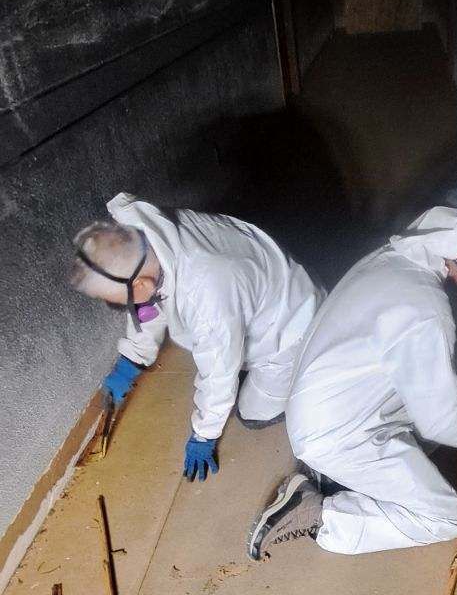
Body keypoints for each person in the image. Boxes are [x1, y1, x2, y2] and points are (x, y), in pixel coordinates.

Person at [247, 175, 457, 558]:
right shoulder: (425, 308)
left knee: (437, 405)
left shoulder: (394, 259)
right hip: (334, 433)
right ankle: (320, 514)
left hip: (317, 405)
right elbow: (440, 422)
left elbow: (415, 358)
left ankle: (332, 476)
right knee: (446, 517)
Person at [70, 193, 323, 480]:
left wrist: (204, 435)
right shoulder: (149, 240)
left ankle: (304, 381)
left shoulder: (206, 296)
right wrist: (132, 358)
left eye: (116, 301)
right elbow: (148, 304)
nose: (118, 306)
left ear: (141, 283)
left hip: (292, 332)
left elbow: (217, 372)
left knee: (252, 414)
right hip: (265, 286)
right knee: (225, 352)